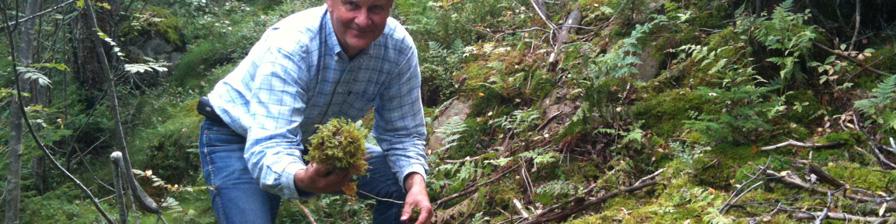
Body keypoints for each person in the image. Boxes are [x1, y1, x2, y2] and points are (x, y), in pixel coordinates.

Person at [196, 0, 432, 223]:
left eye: (376, 8)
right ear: (329, 2)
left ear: (390, 8)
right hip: (235, 134)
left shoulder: (397, 48)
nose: (362, 19)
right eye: (352, 5)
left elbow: (403, 135)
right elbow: (271, 144)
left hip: (312, 140)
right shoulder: (293, 45)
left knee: (401, 184)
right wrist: (303, 179)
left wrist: (416, 182)